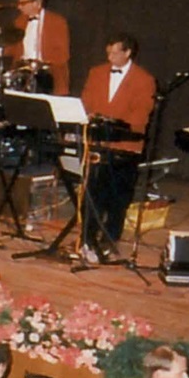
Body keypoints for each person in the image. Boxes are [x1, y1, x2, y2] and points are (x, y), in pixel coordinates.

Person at [79, 33, 157, 263]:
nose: (110, 57)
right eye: (108, 52)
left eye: (115, 53)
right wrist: (91, 117)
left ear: (128, 52)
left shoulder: (145, 79)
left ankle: (109, 241)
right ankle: (86, 240)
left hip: (125, 147)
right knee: (92, 193)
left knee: (117, 199)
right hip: (97, 145)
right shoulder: (96, 72)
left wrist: (112, 125)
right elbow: (86, 100)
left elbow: (141, 115)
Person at [0, 0, 71, 94]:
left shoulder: (57, 22)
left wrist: (39, 64)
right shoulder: (19, 21)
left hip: (48, 77)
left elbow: (63, 55)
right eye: (18, 3)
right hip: (22, 75)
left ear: (37, 3)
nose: (19, 7)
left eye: (23, 3)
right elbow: (14, 47)